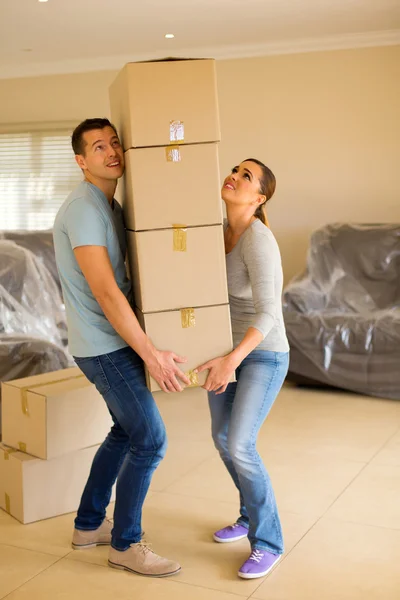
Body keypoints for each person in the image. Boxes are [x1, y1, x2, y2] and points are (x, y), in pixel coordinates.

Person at [53, 118, 190, 578]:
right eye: (98, 146)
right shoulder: (84, 211)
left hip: (109, 342)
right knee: (150, 440)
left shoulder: (108, 204)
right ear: (81, 161)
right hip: (103, 347)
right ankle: (126, 544)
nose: (111, 151)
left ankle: (89, 525)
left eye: (115, 142)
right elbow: (107, 293)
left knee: (125, 432)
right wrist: (152, 354)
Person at [195, 158, 290, 580]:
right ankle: (248, 514)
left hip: (264, 355)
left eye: (246, 176)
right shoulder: (220, 233)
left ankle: (268, 542)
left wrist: (232, 360)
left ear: (260, 197)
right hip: (228, 352)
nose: (234, 176)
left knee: (240, 444)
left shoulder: (258, 239)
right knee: (221, 436)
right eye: (235, 169)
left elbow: (270, 311)